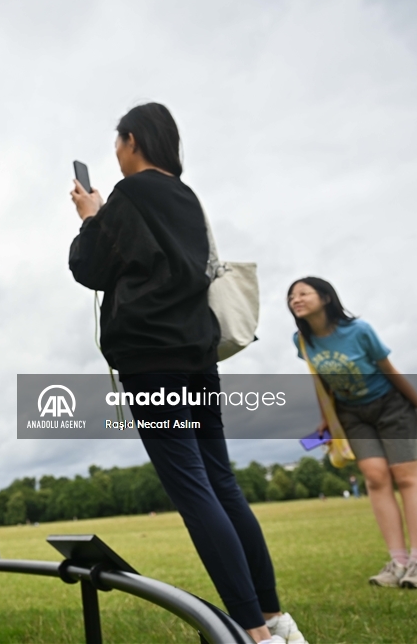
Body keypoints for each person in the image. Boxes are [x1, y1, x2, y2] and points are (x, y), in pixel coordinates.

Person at [68, 102, 304, 644]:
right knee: (221, 481)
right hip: (196, 354)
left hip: (151, 363)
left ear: (132, 140)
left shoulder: (130, 195)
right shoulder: (187, 197)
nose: (117, 154)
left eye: (118, 144)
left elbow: (90, 268)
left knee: (192, 488)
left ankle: (251, 632)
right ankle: (271, 618)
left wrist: (91, 217)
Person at [287, 277, 417, 589]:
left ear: (325, 297)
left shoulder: (358, 331)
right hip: (352, 413)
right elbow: (319, 378)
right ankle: (398, 561)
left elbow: (390, 370)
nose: (295, 299)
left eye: (303, 293)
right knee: (375, 477)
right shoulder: (302, 340)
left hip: (392, 406)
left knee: (405, 475)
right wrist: (327, 418)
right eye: (291, 296)